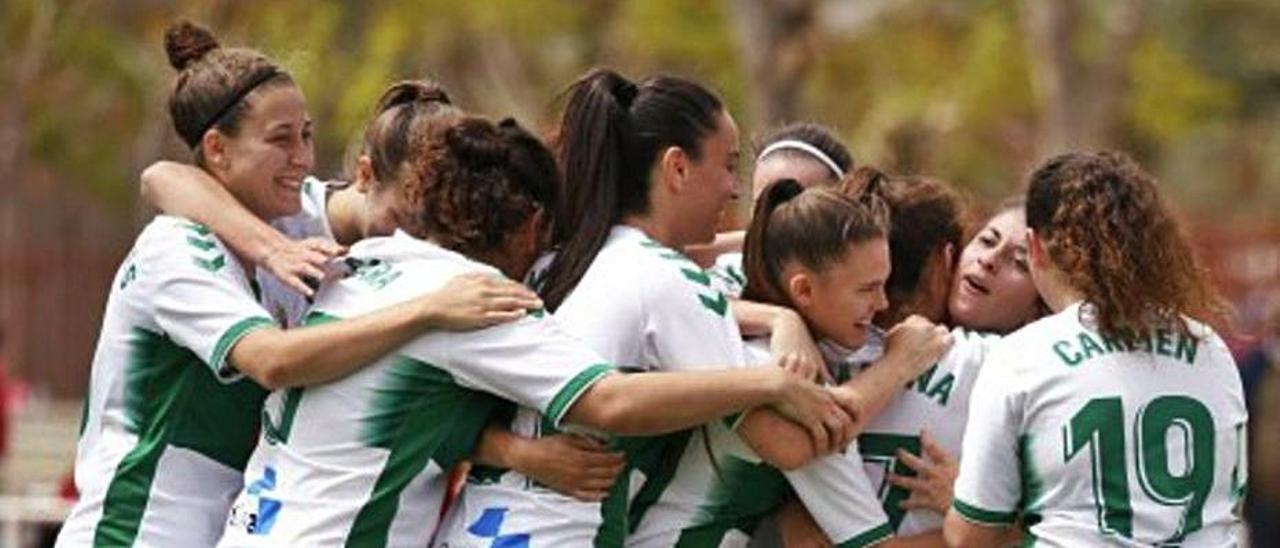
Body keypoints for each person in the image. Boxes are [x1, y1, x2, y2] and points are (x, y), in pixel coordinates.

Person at [216, 114, 845, 547]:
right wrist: (762, 385)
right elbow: (611, 401)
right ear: (530, 225)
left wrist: (510, 450)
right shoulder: (474, 307)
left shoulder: (359, 266)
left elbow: (411, 413)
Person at [55, 22, 538, 548]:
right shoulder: (176, 250)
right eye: (280, 140)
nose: (303, 157)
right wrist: (428, 308)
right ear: (217, 149)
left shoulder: (294, 219)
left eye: (306, 134)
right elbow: (273, 360)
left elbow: (359, 215)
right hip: (134, 535)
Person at [944, 151, 1246, 546]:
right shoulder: (1211, 349)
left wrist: (955, 499)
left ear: (1036, 247)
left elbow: (970, 538)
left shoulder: (1022, 356)